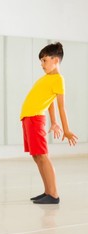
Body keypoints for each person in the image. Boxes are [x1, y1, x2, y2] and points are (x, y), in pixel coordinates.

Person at [21, 42, 77, 204]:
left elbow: (61, 106)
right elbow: (50, 102)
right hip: (29, 119)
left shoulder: (58, 79)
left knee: (43, 156)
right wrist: (53, 122)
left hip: (36, 119)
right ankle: (47, 191)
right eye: (41, 61)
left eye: (44, 60)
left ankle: (53, 194)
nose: (41, 64)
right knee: (37, 156)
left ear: (56, 60)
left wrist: (66, 129)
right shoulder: (47, 79)